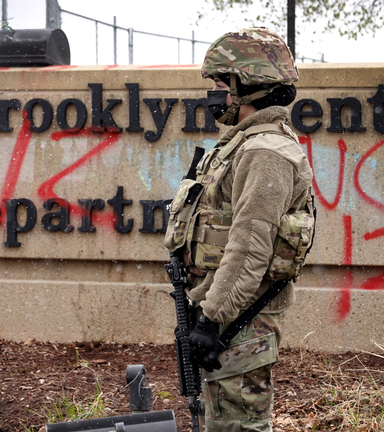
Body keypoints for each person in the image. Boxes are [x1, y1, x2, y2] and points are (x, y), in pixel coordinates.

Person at [166, 27, 316, 431]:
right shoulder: (241, 144)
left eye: (220, 84)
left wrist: (213, 319)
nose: (213, 93)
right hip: (229, 317)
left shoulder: (265, 151)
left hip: (240, 322)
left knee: (238, 426)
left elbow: (251, 247)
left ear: (248, 85)